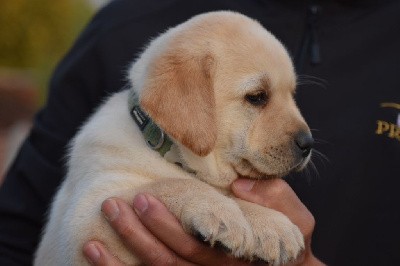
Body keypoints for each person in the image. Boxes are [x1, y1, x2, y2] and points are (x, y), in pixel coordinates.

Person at [0, 0, 399, 265]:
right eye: (257, 97)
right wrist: (177, 196)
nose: (302, 133)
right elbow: (34, 234)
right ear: (185, 105)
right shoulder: (125, 27)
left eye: (290, 95)